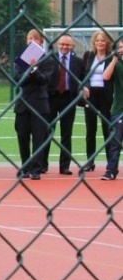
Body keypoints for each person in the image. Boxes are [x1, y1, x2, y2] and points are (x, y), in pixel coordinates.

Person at [13, 29, 54, 181]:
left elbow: (44, 80)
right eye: (29, 38)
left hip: (39, 104)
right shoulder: (20, 59)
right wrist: (27, 71)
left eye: (35, 38)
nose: (32, 41)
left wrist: (34, 70)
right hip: (22, 104)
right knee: (22, 136)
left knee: (38, 137)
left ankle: (36, 169)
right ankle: (25, 167)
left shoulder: (48, 59)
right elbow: (17, 79)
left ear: (40, 41)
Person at [46, 34, 86, 175]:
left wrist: (84, 87)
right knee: (47, 131)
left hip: (69, 99)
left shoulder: (78, 62)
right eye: (62, 44)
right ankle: (43, 164)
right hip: (51, 98)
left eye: (67, 45)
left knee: (66, 134)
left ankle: (64, 166)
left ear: (72, 46)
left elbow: (84, 78)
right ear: (58, 44)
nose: (64, 47)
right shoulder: (49, 60)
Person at [82, 30, 113, 172]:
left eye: (102, 40)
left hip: (106, 96)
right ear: (94, 42)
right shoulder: (88, 56)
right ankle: (90, 161)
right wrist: (85, 87)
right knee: (90, 130)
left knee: (107, 129)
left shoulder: (112, 57)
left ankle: (110, 162)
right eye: (97, 40)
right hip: (91, 95)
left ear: (107, 42)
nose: (100, 43)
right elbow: (83, 74)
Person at [99, 39, 123, 180]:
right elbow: (105, 77)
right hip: (119, 109)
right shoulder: (117, 65)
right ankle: (111, 170)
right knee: (115, 142)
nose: (121, 49)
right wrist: (114, 60)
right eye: (119, 47)